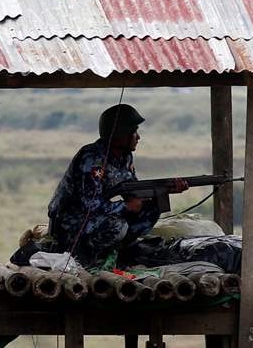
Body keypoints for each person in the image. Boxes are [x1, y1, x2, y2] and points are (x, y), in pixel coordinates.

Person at [46, 103, 187, 266]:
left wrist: (164, 191)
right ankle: (83, 256)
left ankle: (118, 250)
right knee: (117, 226)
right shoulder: (93, 159)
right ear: (120, 134)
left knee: (151, 209)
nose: (138, 137)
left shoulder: (125, 157)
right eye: (133, 132)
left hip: (96, 217)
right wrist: (125, 207)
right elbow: (90, 205)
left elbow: (133, 189)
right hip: (71, 222)